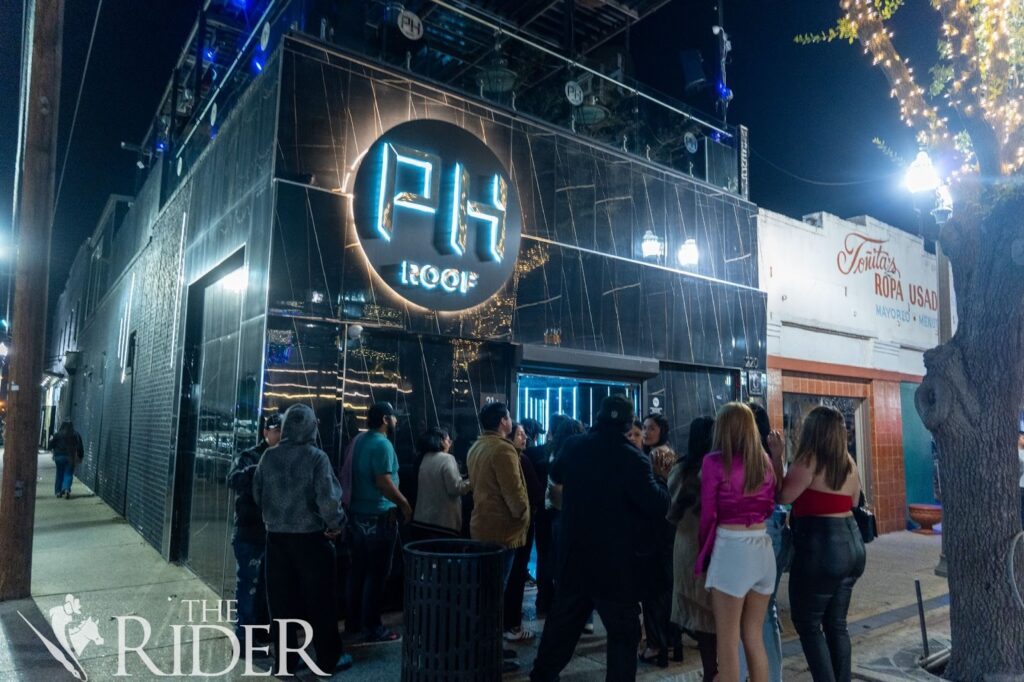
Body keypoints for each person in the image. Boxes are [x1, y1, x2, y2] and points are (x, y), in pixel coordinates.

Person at [531, 396, 672, 682]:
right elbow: (657, 505)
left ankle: (542, 676)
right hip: (617, 567)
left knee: (562, 627)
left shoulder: (574, 445)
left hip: (576, 557)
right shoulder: (632, 458)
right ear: (626, 424)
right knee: (623, 637)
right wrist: (659, 476)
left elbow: (555, 473)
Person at [252, 403, 351, 676]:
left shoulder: (268, 458)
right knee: (320, 602)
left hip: (276, 540)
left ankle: (284, 663)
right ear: (310, 427)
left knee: (281, 606)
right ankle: (328, 660)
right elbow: (329, 501)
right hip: (311, 540)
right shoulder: (316, 457)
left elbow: (257, 495)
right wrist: (336, 526)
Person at [772, 405, 865, 682]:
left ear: (813, 430)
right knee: (836, 625)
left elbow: (784, 496)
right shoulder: (848, 463)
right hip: (852, 546)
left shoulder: (809, 459)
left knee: (808, 624)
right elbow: (855, 502)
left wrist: (777, 458)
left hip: (822, 547)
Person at [696, 402, 777, 682]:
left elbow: (708, 515)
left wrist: (702, 554)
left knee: (727, 642)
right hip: (763, 549)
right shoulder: (763, 461)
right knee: (753, 637)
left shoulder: (713, 462)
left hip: (731, 549)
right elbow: (769, 505)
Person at [467, 402, 530, 670]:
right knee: (494, 596)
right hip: (502, 531)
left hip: (482, 527)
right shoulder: (503, 450)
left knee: (486, 593)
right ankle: (488, 652)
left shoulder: (476, 446)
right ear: (503, 422)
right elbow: (513, 493)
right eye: (509, 418)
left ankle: (487, 646)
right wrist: (524, 514)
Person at [346, 401, 411, 643]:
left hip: (357, 515)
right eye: (394, 417)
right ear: (385, 419)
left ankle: (353, 623)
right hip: (379, 515)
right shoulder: (383, 444)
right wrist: (405, 505)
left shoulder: (360, 440)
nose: (396, 421)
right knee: (377, 573)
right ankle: (373, 627)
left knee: (358, 571)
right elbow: (384, 482)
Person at [738, 403, 791, 682]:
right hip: (773, 529)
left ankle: (754, 674)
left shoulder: (742, 457)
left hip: (753, 533)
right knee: (765, 608)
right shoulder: (769, 456)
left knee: (745, 609)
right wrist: (778, 456)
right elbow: (780, 495)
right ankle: (769, 675)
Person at [668, 416, 718, 682]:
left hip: (686, 547)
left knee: (701, 618)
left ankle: (712, 673)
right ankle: (717, 673)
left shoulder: (681, 470)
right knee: (713, 620)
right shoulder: (718, 469)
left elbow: (672, 508)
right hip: (709, 546)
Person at [227, 413, 282, 648]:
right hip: (250, 535)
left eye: (283, 431)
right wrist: (257, 470)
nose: (280, 435)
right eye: (276, 430)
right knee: (248, 586)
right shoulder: (250, 457)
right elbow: (232, 480)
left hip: (272, 535)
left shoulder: (285, 458)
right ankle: (243, 638)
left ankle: (258, 632)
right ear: (266, 433)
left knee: (263, 589)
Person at [639, 412, 680, 667]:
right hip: (671, 528)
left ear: (662, 430)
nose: (646, 433)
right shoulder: (668, 452)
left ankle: (657, 643)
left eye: (651, 428)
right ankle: (671, 640)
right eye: (643, 428)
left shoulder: (656, 455)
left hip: (658, 530)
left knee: (655, 592)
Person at [504, 422, 545, 642]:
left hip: (504, 527)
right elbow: (534, 492)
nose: (525, 438)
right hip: (519, 526)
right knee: (516, 573)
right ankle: (512, 625)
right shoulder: (518, 460)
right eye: (520, 434)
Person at [410, 427, 471, 540]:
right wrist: (472, 480)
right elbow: (455, 488)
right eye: (448, 440)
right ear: (441, 441)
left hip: (421, 520)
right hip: (443, 523)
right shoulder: (447, 459)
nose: (450, 444)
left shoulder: (421, 458)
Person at [48, 421, 83, 499]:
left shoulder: (57, 435)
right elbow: (80, 446)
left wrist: (51, 441)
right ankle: (66, 488)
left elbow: (50, 446)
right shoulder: (75, 435)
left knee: (59, 474)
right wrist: (80, 457)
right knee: (68, 473)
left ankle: (58, 491)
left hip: (58, 457)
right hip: (70, 457)